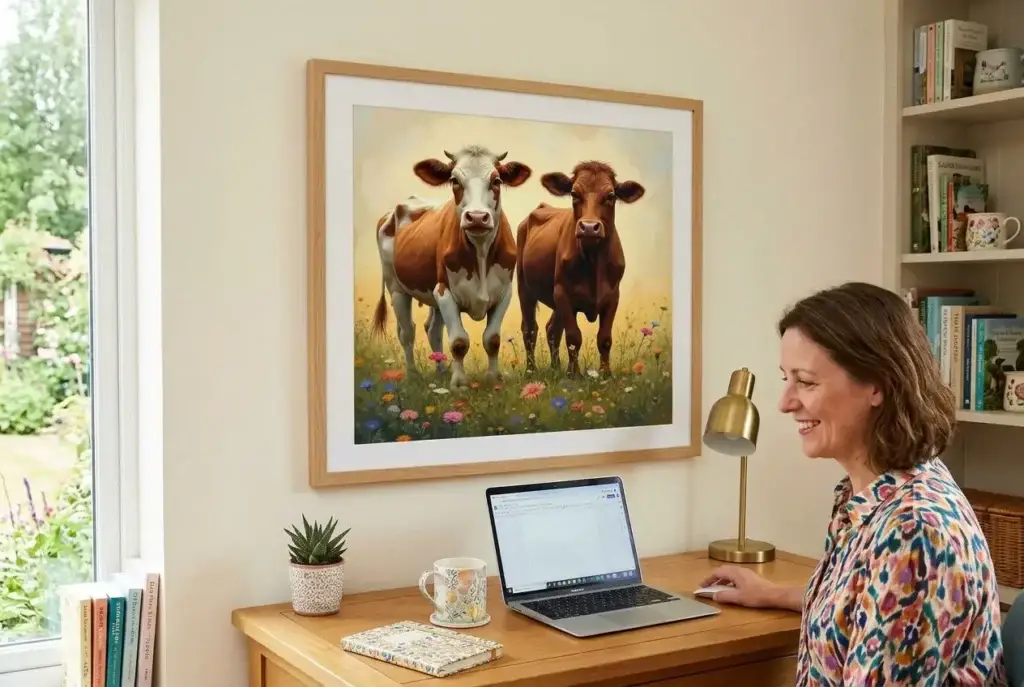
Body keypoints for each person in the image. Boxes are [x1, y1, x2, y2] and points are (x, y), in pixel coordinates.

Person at [700, 282, 1007, 686]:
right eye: (785, 378)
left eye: (806, 382)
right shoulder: (875, 493)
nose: (785, 402)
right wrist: (774, 594)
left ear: (876, 384)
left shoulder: (914, 533)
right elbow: (868, 605)